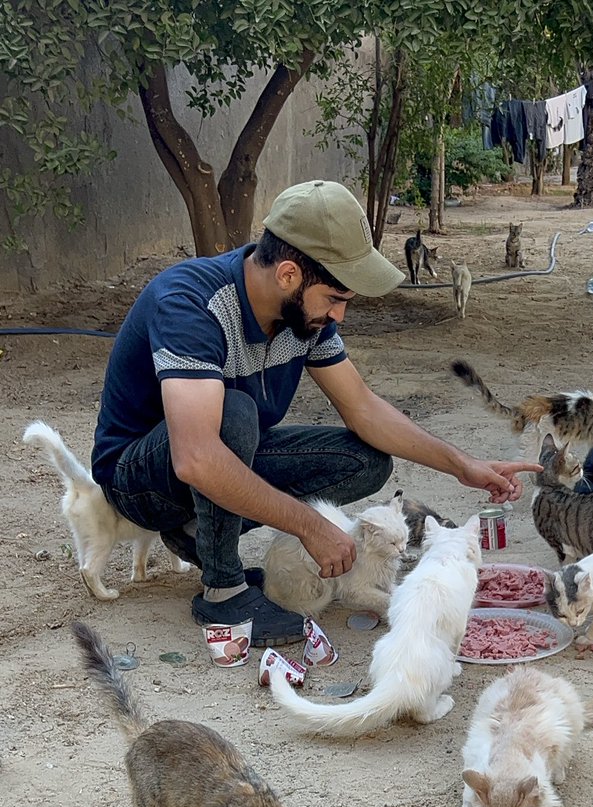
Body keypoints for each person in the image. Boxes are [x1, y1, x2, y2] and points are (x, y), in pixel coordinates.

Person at [91, 179, 540, 646]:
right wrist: (311, 527)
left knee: (365, 460)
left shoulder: (301, 314)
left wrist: (463, 466)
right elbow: (196, 457)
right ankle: (222, 591)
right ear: (288, 275)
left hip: (221, 456)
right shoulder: (191, 304)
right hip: (141, 481)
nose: (340, 316)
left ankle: (199, 531)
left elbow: (363, 408)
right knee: (235, 412)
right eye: (335, 299)